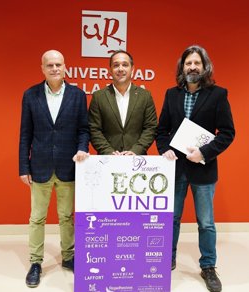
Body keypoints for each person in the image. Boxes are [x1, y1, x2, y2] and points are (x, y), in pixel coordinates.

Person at [156, 45, 235, 292]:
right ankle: (167, 258)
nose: (192, 67)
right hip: (176, 168)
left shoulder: (218, 94)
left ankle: (208, 266)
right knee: (173, 218)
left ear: (204, 66)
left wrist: (205, 152)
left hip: (203, 168)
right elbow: (161, 131)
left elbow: (228, 133)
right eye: (188, 63)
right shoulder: (172, 95)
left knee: (206, 222)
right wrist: (164, 149)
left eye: (196, 63)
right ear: (182, 67)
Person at [19, 50, 90, 288]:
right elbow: (25, 134)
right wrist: (23, 166)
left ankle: (68, 257)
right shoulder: (30, 95)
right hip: (39, 166)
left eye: (58, 64)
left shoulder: (78, 95)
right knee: (37, 217)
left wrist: (82, 149)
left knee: (67, 217)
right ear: (42, 68)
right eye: (50, 65)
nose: (55, 68)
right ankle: (36, 262)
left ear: (65, 66)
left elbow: (83, 129)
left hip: (68, 166)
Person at [88, 50, 157, 155]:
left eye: (125, 65)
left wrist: (136, 150)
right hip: (107, 160)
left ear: (132, 69)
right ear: (110, 70)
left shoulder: (145, 96)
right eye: (116, 65)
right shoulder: (98, 97)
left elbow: (150, 128)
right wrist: (108, 152)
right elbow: (94, 129)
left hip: (136, 160)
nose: (120, 69)